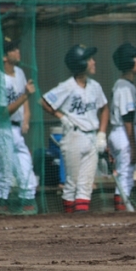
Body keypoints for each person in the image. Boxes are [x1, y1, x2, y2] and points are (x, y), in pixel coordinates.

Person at [41, 44, 108, 213]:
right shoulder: (68, 86)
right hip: (74, 136)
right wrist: (61, 117)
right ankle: (69, 222)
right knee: (72, 183)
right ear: (80, 63)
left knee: (86, 185)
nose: (93, 62)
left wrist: (102, 134)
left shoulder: (95, 86)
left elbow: (105, 108)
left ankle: (81, 222)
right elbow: (44, 101)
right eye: (89, 59)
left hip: (92, 136)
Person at [0, 37, 37, 214]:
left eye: (17, 48)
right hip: (1, 129)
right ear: (4, 57)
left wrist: (26, 117)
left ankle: (28, 211)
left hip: (16, 129)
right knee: (5, 176)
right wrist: (25, 96)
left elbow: (25, 98)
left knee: (26, 172)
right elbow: (1, 113)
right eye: (13, 50)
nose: (18, 52)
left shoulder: (19, 72)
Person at [108, 43, 136, 211]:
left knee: (125, 175)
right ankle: (122, 213)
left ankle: (124, 211)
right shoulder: (124, 87)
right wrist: (133, 147)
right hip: (123, 132)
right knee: (125, 176)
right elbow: (127, 118)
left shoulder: (122, 84)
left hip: (119, 132)